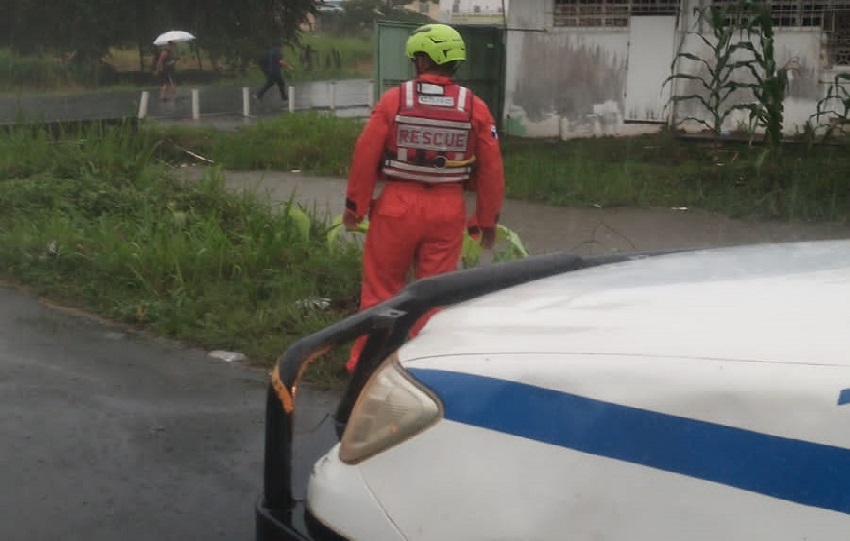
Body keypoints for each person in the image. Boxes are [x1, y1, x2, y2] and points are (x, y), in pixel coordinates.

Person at [342, 23, 505, 372]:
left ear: (420, 59)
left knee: (381, 290)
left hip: (397, 206)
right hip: (448, 208)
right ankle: (423, 366)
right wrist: (486, 220)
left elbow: (365, 155)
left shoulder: (395, 100)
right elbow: (492, 169)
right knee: (434, 295)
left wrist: (354, 205)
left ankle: (365, 367)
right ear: (454, 62)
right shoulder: (474, 107)